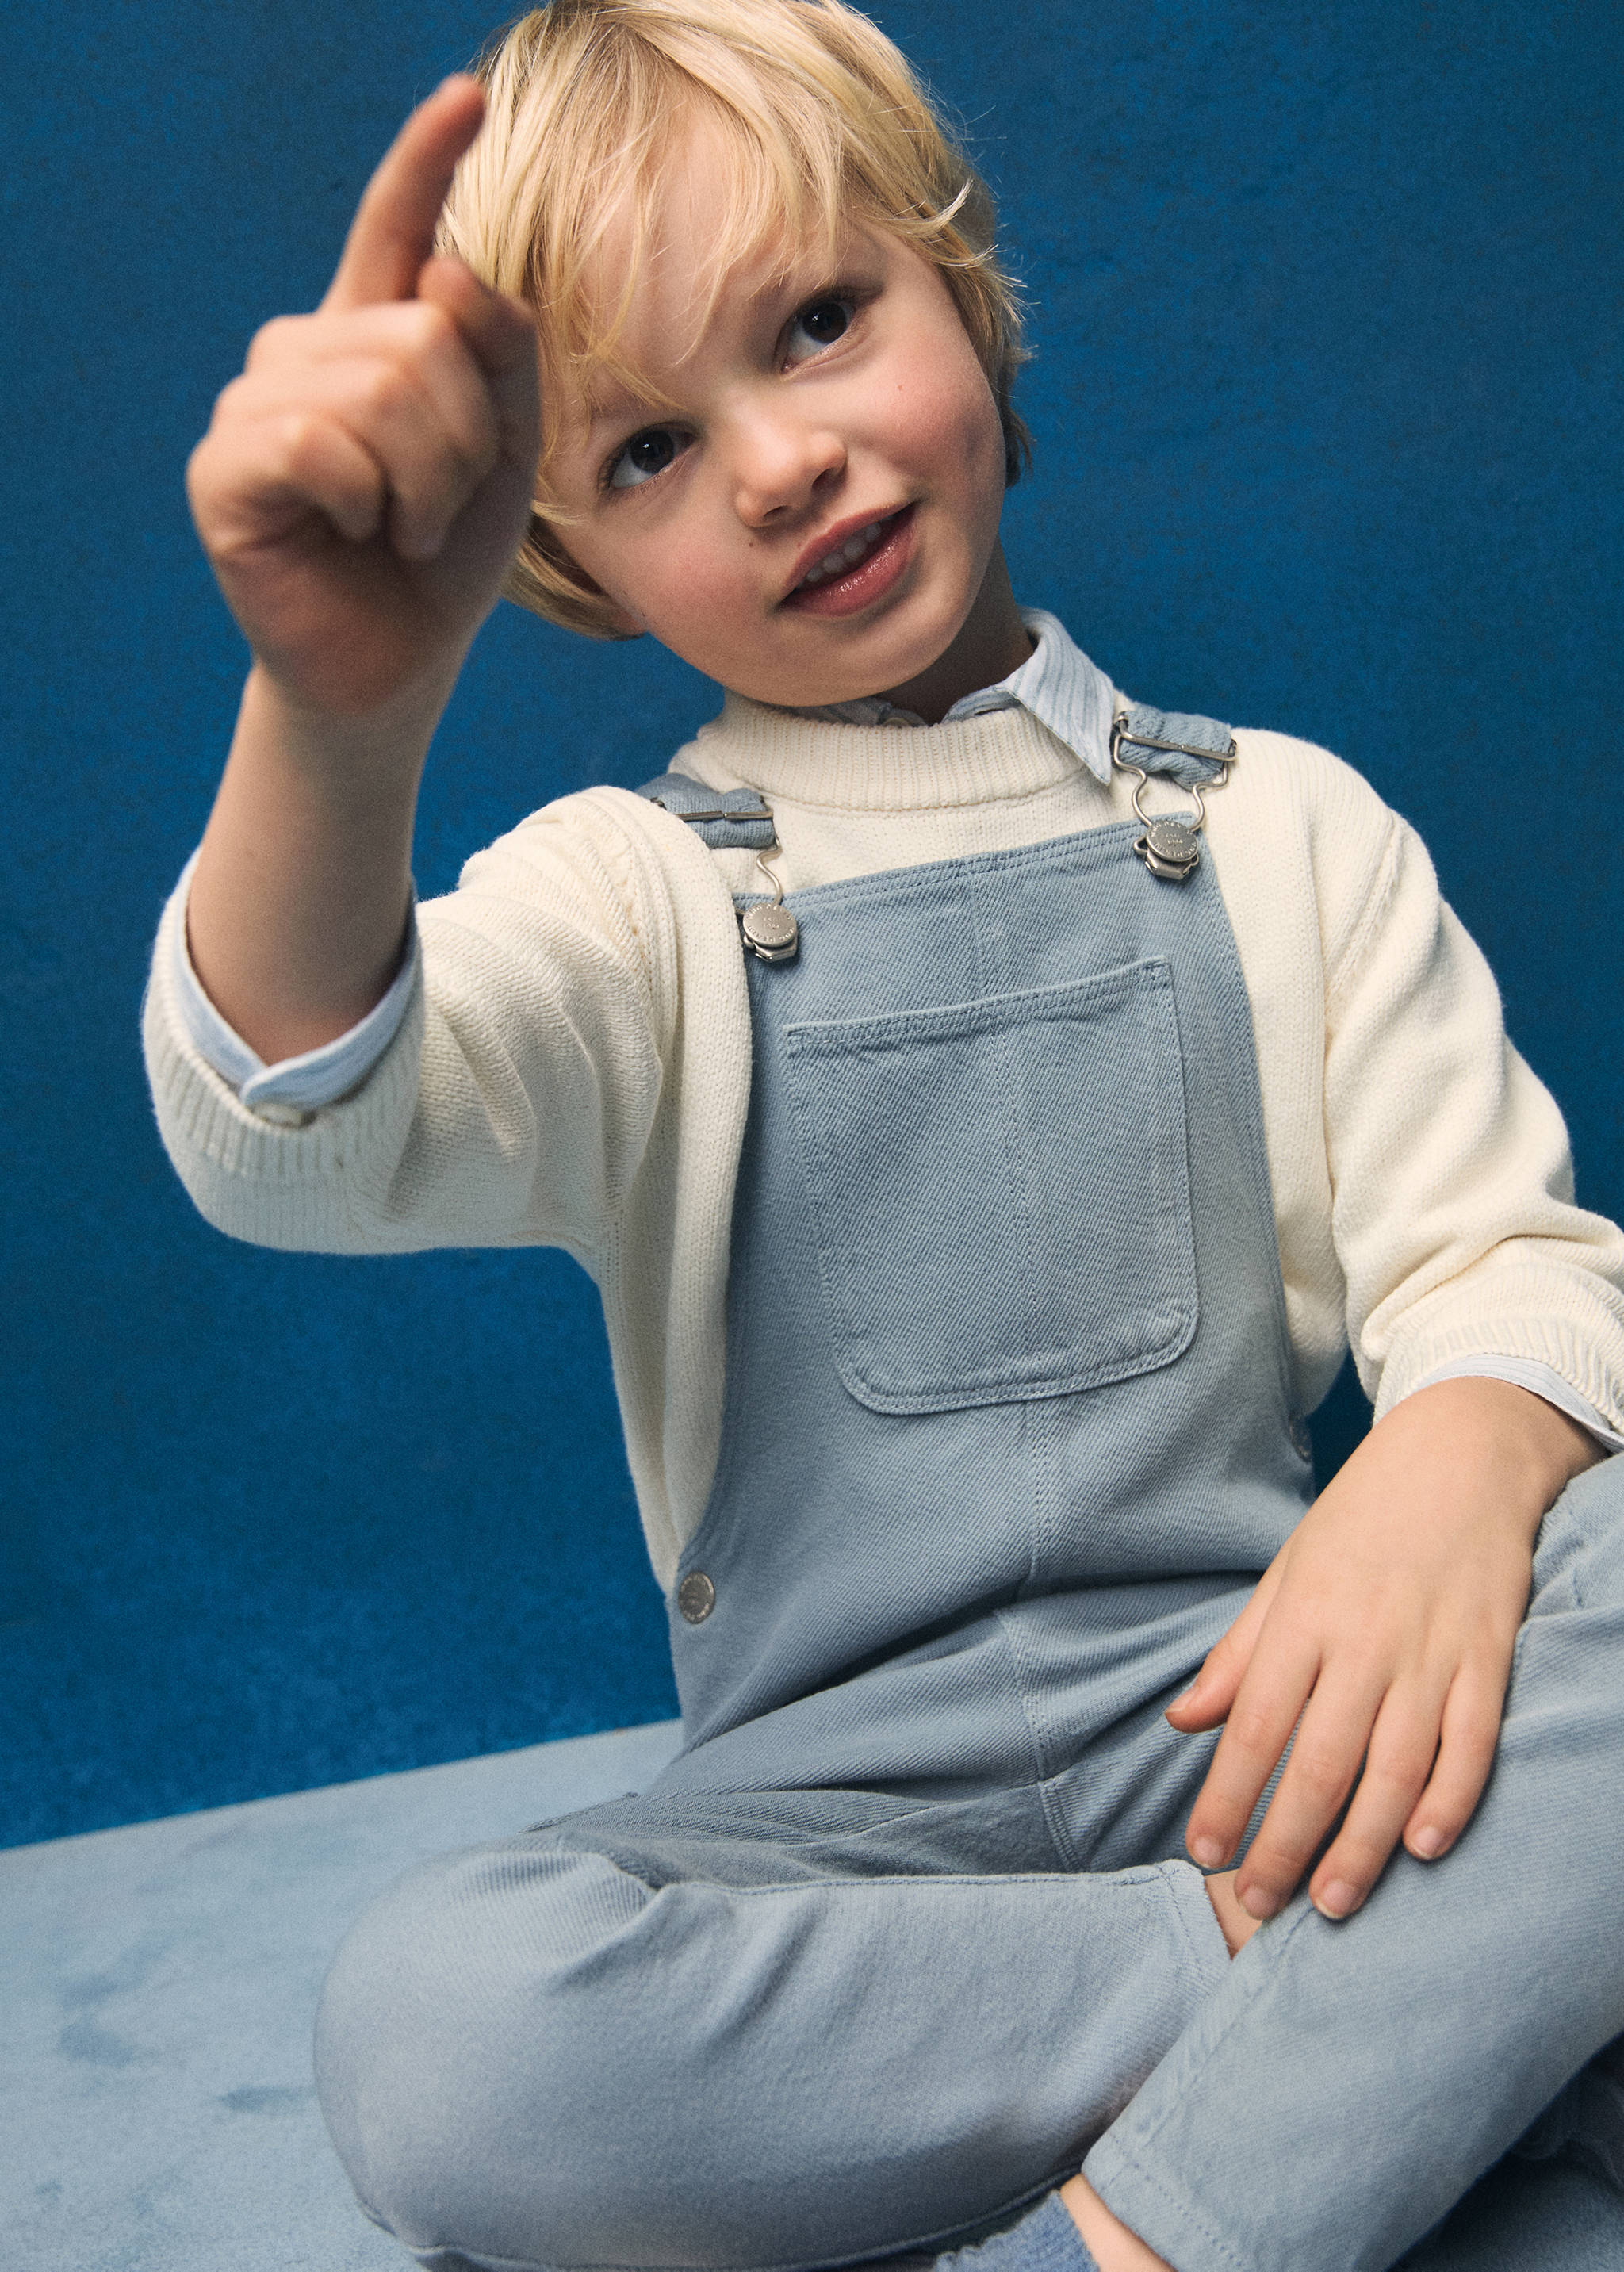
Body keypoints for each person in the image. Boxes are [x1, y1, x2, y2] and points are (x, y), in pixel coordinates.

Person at [147, 4, 1624, 2267]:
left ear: (972, 301)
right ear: (563, 561)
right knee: (439, 2028)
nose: (773, 464)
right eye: (643, 452)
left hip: (1277, 1739)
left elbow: (1512, 1263)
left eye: (819, 324)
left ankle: (1188, 2177)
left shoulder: (1290, 833)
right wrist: (335, 720)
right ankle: (1403, 2018)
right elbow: (295, 1132)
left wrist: (1469, 1441)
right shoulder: (634, 902)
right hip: (846, 1862)